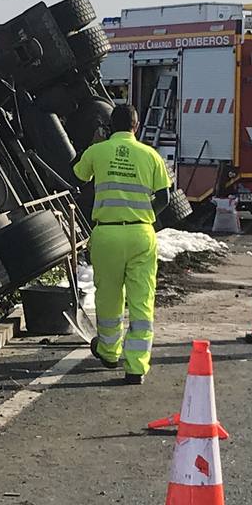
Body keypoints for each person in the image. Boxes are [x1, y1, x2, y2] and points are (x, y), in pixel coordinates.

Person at [73, 104, 171, 384]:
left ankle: (108, 352)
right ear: (136, 127)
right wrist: (144, 215)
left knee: (109, 297)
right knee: (142, 301)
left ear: (108, 126)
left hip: (108, 234)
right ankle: (136, 366)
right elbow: (164, 197)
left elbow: (79, 175)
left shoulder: (98, 151)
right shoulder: (151, 155)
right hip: (142, 234)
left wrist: (92, 146)